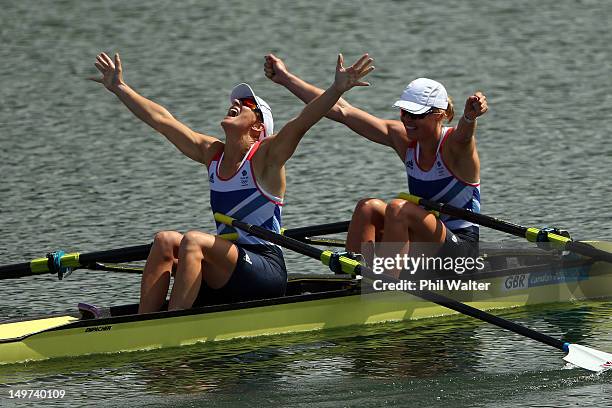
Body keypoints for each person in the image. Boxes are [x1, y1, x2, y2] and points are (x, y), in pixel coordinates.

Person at [92, 51, 374, 312]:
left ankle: (170, 326)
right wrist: (120, 87)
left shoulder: (267, 157)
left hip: (265, 268)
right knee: (165, 240)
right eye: (235, 102)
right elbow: (162, 120)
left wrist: (337, 88)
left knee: (193, 240)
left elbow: (303, 121)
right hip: (228, 267)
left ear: (258, 127)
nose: (236, 103)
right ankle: (143, 325)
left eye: (247, 104)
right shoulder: (211, 153)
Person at [264, 54, 488, 277]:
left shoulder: (455, 147)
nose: (407, 120)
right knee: (368, 207)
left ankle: (387, 284)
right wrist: (286, 78)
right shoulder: (404, 140)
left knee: (399, 209)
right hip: (424, 242)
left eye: (415, 115)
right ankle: (352, 280)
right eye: (404, 112)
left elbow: (464, 136)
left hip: (460, 253)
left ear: (439, 115)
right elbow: (344, 111)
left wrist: (469, 118)